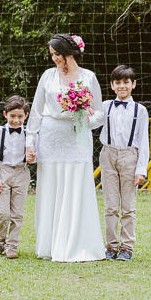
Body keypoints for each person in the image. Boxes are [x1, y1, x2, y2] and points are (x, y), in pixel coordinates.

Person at [24, 34, 105, 262]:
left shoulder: (88, 77)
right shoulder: (47, 76)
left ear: (69, 53)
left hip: (78, 140)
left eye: (57, 54)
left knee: (76, 188)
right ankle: (50, 246)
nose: (54, 59)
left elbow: (99, 113)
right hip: (50, 139)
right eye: (52, 55)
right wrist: (30, 142)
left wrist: (87, 119)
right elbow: (36, 112)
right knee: (51, 189)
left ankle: (76, 245)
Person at [97, 65, 150, 261]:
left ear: (133, 84)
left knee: (128, 206)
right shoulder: (105, 106)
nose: (122, 86)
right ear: (112, 85)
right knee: (110, 205)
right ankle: (111, 246)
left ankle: (127, 246)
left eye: (126, 82)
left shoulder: (140, 110)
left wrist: (141, 169)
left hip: (129, 156)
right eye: (118, 82)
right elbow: (91, 123)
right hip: (108, 154)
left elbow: (143, 140)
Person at [0, 95, 31, 260]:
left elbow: (35, 154)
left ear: (26, 116)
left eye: (20, 116)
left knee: (17, 213)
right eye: (12, 116)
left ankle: (12, 245)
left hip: (21, 172)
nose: (16, 120)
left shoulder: (29, 133)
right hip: (3, 171)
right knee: (2, 212)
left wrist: (32, 157)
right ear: (5, 115)